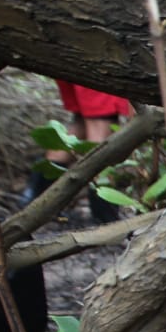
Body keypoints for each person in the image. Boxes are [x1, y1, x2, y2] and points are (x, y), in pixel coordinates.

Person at [19, 80, 132, 224]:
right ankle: (104, 218)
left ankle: (35, 202)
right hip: (96, 67)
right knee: (101, 129)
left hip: (74, 64)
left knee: (82, 123)